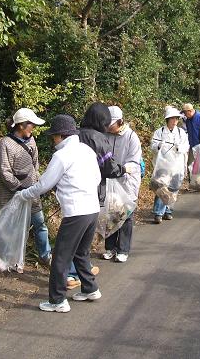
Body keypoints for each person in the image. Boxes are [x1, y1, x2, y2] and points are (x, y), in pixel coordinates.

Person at [18, 115, 101, 313]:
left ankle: (57, 301)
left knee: (61, 257)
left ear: (62, 136)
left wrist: (23, 194)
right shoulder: (86, 150)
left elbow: (44, 184)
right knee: (81, 252)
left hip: (76, 212)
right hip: (92, 209)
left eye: (54, 136)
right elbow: (97, 177)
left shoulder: (62, 156)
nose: (53, 140)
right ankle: (90, 289)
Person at [66, 102, 128, 289]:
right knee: (82, 238)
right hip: (91, 193)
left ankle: (79, 270)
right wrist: (124, 169)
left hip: (70, 191)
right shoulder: (100, 139)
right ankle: (72, 274)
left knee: (72, 235)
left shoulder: (74, 135)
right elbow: (109, 168)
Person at [0, 108, 51, 271]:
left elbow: (35, 164)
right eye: (31, 125)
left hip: (31, 192)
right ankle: (12, 260)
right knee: (11, 228)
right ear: (20, 125)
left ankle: (46, 255)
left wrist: (36, 184)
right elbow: (4, 170)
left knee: (39, 223)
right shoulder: (5, 143)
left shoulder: (31, 140)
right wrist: (19, 188)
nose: (33, 128)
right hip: (8, 193)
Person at [102, 106, 142, 263]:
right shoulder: (106, 134)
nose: (108, 126)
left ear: (120, 121)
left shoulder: (131, 137)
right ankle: (110, 247)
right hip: (110, 180)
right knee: (110, 212)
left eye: (111, 124)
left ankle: (123, 249)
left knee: (126, 214)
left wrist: (121, 170)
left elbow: (133, 160)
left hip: (126, 181)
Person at [150, 106, 189, 224]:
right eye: (172, 119)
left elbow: (186, 146)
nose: (175, 121)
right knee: (161, 187)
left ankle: (168, 210)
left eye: (176, 119)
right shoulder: (159, 132)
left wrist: (179, 147)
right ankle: (158, 213)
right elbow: (153, 146)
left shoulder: (181, 132)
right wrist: (158, 146)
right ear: (167, 119)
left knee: (173, 188)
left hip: (176, 165)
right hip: (163, 165)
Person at [182, 103, 200, 177]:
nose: (184, 114)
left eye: (185, 112)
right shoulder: (188, 120)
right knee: (190, 165)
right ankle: (192, 183)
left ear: (190, 111)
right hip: (192, 146)